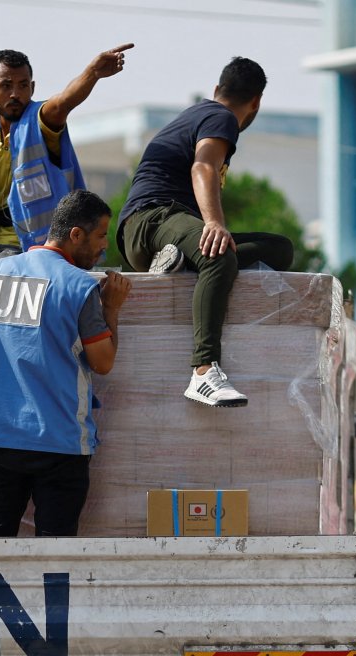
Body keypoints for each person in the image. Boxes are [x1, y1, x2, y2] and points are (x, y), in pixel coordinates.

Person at [0, 43, 131, 441]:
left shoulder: (41, 121)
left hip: (33, 246)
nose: (16, 93)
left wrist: (93, 72)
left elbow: (64, 101)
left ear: (33, 87)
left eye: (23, 85)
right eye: (6, 85)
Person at [115, 57, 294, 409]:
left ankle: (180, 264)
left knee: (278, 249)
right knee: (219, 252)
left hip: (161, 227)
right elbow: (203, 165)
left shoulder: (198, 113)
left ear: (217, 89)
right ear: (255, 103)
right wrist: (213, 222)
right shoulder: (221, 117)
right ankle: (203, 371)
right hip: (150, 220)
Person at [0, 190, 129, 537]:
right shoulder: (80, 286)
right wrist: (112, 308)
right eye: (99, 237)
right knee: (55, 557)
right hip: (58, 440)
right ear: (75, 235)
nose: (103, 249)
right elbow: (103, 361)